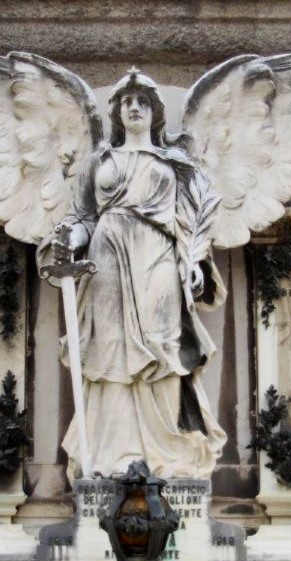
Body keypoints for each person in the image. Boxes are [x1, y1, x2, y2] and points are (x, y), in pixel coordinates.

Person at [38, 69, 227, 479]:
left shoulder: (175, 163)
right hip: (106, 261)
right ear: (117, 112)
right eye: (127, 102)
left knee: (162, 348)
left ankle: (167, 456)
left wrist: (195, 262)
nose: (135, 107)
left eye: (143, 101)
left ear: (156, 112)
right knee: (110, 351)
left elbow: (193, 218)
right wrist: (71, 236)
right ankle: (111, 455)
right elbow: (83, 216)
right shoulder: (98, 162)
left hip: (158, 258)